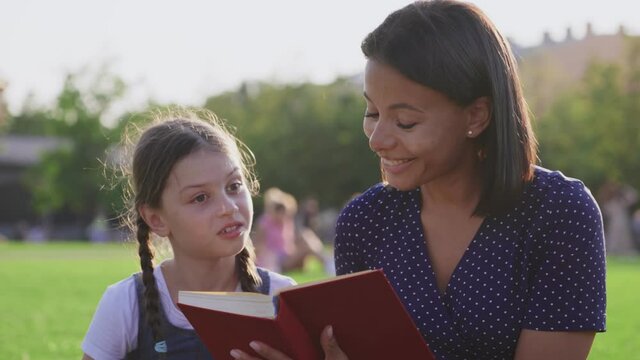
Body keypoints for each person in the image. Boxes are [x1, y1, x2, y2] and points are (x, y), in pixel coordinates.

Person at [233, 1, 606, 359]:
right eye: (372, 112)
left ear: (476, 116)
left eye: (405, 122)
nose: (377, 139)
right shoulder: (365, 222)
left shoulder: (559, 213)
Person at [81, 109, 296, 359]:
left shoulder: (282, 298)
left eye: (234, 186)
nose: (228, 207)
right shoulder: (125, 303)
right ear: (156, 219)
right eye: (200, 198)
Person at [253, 187, 331, 273]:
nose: (281, 212)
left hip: (288, 256)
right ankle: (328, 263)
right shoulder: (264, 223)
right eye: (278, 208)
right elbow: (257, 246)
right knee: (305, 238)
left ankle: (327, 260)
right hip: (277, 261)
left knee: (306, 235)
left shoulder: (287, 221)